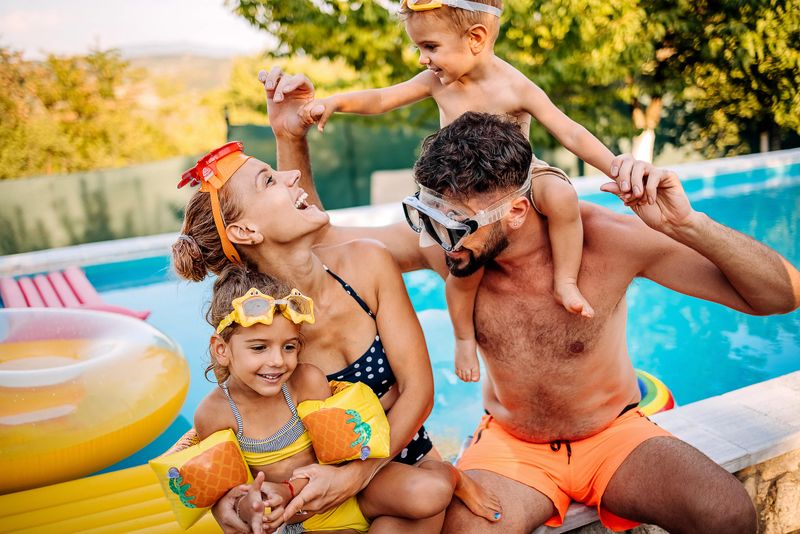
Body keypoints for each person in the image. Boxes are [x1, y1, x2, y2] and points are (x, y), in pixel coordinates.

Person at [259, 70, 800, 533]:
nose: (440, 240)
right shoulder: (450, 251)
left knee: (728, 514)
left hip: (613, 435)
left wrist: (690, 225)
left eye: (455, 225)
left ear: (515, 213)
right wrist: (291, 138)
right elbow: (323, 245)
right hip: (512, 447)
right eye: (430, 219)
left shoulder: (609, 242)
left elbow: (780, 297)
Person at [171, 121, 501, 532]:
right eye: (269, 180)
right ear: (245, 231)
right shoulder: (259, 324)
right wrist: (228, 501)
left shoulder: (368, 263)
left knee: (422, 502)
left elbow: (419, 391)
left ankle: (445, 479)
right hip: (314, 495)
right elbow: (224, 421)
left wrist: (354, 477)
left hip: (404, 465)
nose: (291, 176)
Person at [297, 0, 650, 382]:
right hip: (459, 196)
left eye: (430, 47)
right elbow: (383, 97)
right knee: (457, 268)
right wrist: (335, 102)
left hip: (520, 177)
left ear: (476, 38)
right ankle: (464, 338)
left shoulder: (514, 86)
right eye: (420, 48)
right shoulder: (438, 81)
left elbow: (569, 131)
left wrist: (616, 167)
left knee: (562, 196)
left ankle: (565, 281)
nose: (421, 60)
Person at [195, 266, 492, 533]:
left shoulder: (305, 381)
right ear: (221, 349)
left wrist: (289, 489)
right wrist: (254, 506)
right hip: (304, 520)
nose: (277, 361)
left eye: (288, 346)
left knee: (430, 493)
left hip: (351, 491)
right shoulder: (215, 415)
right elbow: (231, 497)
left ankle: (451, 476)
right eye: (259, 348)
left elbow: (339, 446)